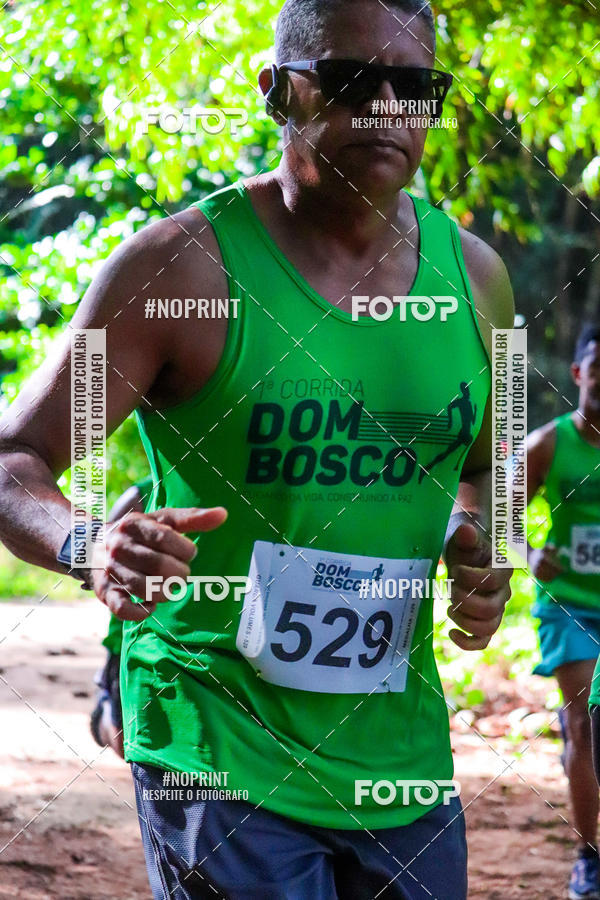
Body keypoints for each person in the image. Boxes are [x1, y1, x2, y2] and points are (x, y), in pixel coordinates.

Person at [0, 0, 514, 896]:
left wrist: (483, 546)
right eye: (351, 80)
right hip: (217, 745)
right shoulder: (174, 271)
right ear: (278, 91)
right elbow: (16, 460)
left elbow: (487, 465)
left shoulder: (478, 279)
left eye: (415, 87)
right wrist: (91, 546)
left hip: (399, 759)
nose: (387, 107)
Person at [527, 323, 600, 900]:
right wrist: (530, 555)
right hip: (569, 605)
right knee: (584, 724)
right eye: (599, 370)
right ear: (578, 373)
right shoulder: (547, 445)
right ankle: (589, 856)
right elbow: (500, 515)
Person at [90, 475, 153, 758]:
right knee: (126, 743)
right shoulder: (140, 495)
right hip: (131, 635)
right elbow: (100, 560)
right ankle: (105, 705)